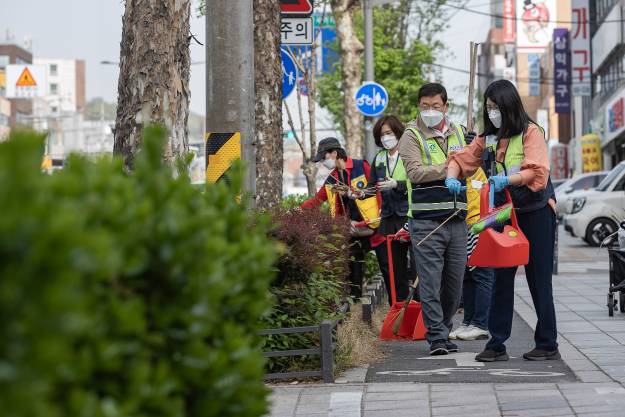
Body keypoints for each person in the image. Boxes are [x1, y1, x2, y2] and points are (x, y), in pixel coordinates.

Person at [446, 79, 558, 361]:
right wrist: (451, 176)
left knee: (538, 279)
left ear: (510, 106)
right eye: (488, 107)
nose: (492, 112)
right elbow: (461, 159)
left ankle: (547, 343)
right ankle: (497, 344)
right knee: (501, 279)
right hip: (504, 215)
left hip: (535, 212)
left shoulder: (532, 132)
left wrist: (508, 179)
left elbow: (537, 172)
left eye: (496, 107)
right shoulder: (488, 138)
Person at [398, 83, 468, 356]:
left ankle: (445, 327)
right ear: (419, 106)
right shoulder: (411, 135)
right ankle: (437, 336)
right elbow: (415, 173)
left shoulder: (460, 132)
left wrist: (472, 157)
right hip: (426, 222)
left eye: (436, 107)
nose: (430, 111)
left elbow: (472, 165)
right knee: (429, 282)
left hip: (457, 219)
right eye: (425, 106)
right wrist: (451, 167)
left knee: (454, 285)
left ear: (446, 107)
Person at [301, 137, 386, 298]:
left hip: (374, 225)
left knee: (386, 265)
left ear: (334, 153)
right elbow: (317, 200)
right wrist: (298, 210)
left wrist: (382, 211)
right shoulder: (332, 178)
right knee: (353, 264)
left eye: (324, 157)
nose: (323, 162)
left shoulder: (361, 166)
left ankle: (395, 302)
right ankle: (355, 299)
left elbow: (377, 189)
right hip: (352, 228)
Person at [448, 137, 495, 341]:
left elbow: (479, 199)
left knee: (482, 275)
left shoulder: (477, 171)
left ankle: (480, 323)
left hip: (480, 226)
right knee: (467, 276)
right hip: (466, 226)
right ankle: (468, 321)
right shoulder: (460, 171)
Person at [369, 115, 416, 304]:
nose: (385, 137)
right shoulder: (379, 157)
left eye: (389, 133)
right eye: (382, 135)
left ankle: (419, 307)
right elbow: (373, 186)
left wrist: (397, 184)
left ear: (398, 132)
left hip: (408, 214)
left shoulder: (409, 153)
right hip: (389, 217)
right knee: (393, 266)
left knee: (416, 265)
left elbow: (416, 181)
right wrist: (357, 193)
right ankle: (398, 307)